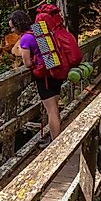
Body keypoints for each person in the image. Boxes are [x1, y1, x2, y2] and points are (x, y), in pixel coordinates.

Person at [8, 10, 63, 142]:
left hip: (44, 78)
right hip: (53, 71)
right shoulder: (38, 31)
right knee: (54, 108)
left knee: (51, 111)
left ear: (19, 25)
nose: (12, 30)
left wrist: (32, 61)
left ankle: (56, 142)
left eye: (13, 27)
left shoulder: (25, 38)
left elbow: (27, 63)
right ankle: (56, 137)